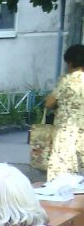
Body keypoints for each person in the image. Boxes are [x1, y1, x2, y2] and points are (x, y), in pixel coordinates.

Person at [45, 43, 84, 180]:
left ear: (70, 62)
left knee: (62, 178)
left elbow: (49, 103)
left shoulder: (66, 80)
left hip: (66, 135)